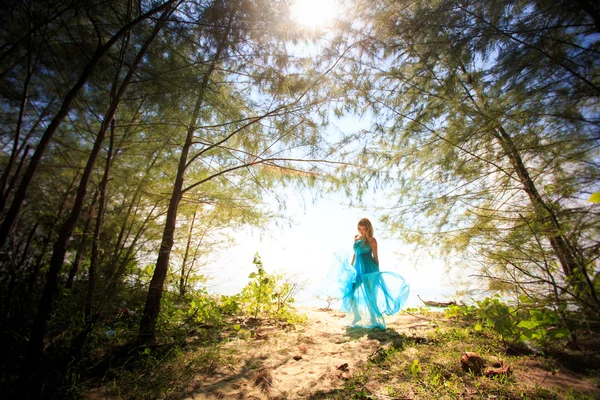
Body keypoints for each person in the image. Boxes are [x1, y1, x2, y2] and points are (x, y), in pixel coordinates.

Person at [338, 218, 409, 330]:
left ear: (368, 228)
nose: (361, 231)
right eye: (359, 229)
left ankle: (373, 319)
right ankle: (357, 316)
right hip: (357, 269)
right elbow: (355, 255)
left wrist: (377, 274)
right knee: (349, 291)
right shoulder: (356, 238)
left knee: (370, 295)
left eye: (364, 229)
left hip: (369, 269)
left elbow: (376, 257)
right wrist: (351, 269)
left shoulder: (372, 240)